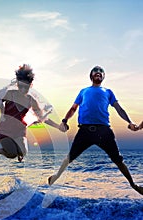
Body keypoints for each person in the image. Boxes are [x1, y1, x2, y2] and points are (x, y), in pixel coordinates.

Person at [48, 65, 143, 195]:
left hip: (104, 131)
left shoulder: (108, 91)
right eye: (95, 72)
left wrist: (130, 122)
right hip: (85, 131)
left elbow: (119, 109)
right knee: (70, 157)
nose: (98, 73)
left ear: (103, 77)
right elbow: (73, 109)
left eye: (101, 72)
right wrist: (64, 120)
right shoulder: (84, 91)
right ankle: (56, 176)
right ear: (91, 76)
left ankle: (133, 185)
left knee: (118, 160)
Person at [0, 64, 66, 166]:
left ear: (30, 85)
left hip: (19, 130)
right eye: (20, 86)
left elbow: (43, 118)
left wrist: (58, 126)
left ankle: (18, 152)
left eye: (25, 87)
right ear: (17, 84)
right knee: (12, 154)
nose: (22, 89)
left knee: (23, 152)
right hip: (5, 129)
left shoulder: (31, 100)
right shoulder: (10, 94)